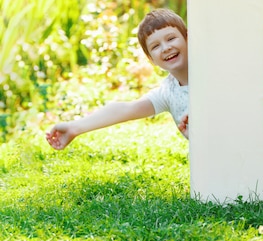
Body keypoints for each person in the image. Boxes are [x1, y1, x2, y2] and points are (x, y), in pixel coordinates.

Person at [46, 8, 189, 150]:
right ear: (151, 59)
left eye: (171, 38)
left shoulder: (210, 69)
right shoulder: (169, 92)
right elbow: (126, 109)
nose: (165, 48)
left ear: (188, 38)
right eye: (155, 46)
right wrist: (74, 128)